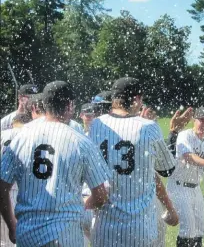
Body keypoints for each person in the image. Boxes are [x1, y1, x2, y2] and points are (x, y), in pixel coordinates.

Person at [0, 80, 111, 246]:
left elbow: (2, 187)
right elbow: (101, 196)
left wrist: (11, 224)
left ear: (44, 104)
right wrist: (83, 205)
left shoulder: (21, 138)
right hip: (66, 235)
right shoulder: (81, 142)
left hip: (28, 234)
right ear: (70, 105)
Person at [89, 77, 177, 247]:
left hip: (105, 230)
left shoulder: (96, 125)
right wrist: (173, 133)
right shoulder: (149, 127)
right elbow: (167, 170)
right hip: (140, 230)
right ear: (137, 99)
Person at [167, 106, 204, 247]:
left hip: (196, 189)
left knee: (199, 230)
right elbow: (188, 156)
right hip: (178, 186)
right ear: (194, 120)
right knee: (188, 229)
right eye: (201, 120)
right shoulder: (185, 135)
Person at [0, 113, 32, 247]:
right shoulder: (30, 135)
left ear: (13, 122)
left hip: (3, 191)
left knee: (4, 241)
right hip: (25, 193)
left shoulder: (3, 134)